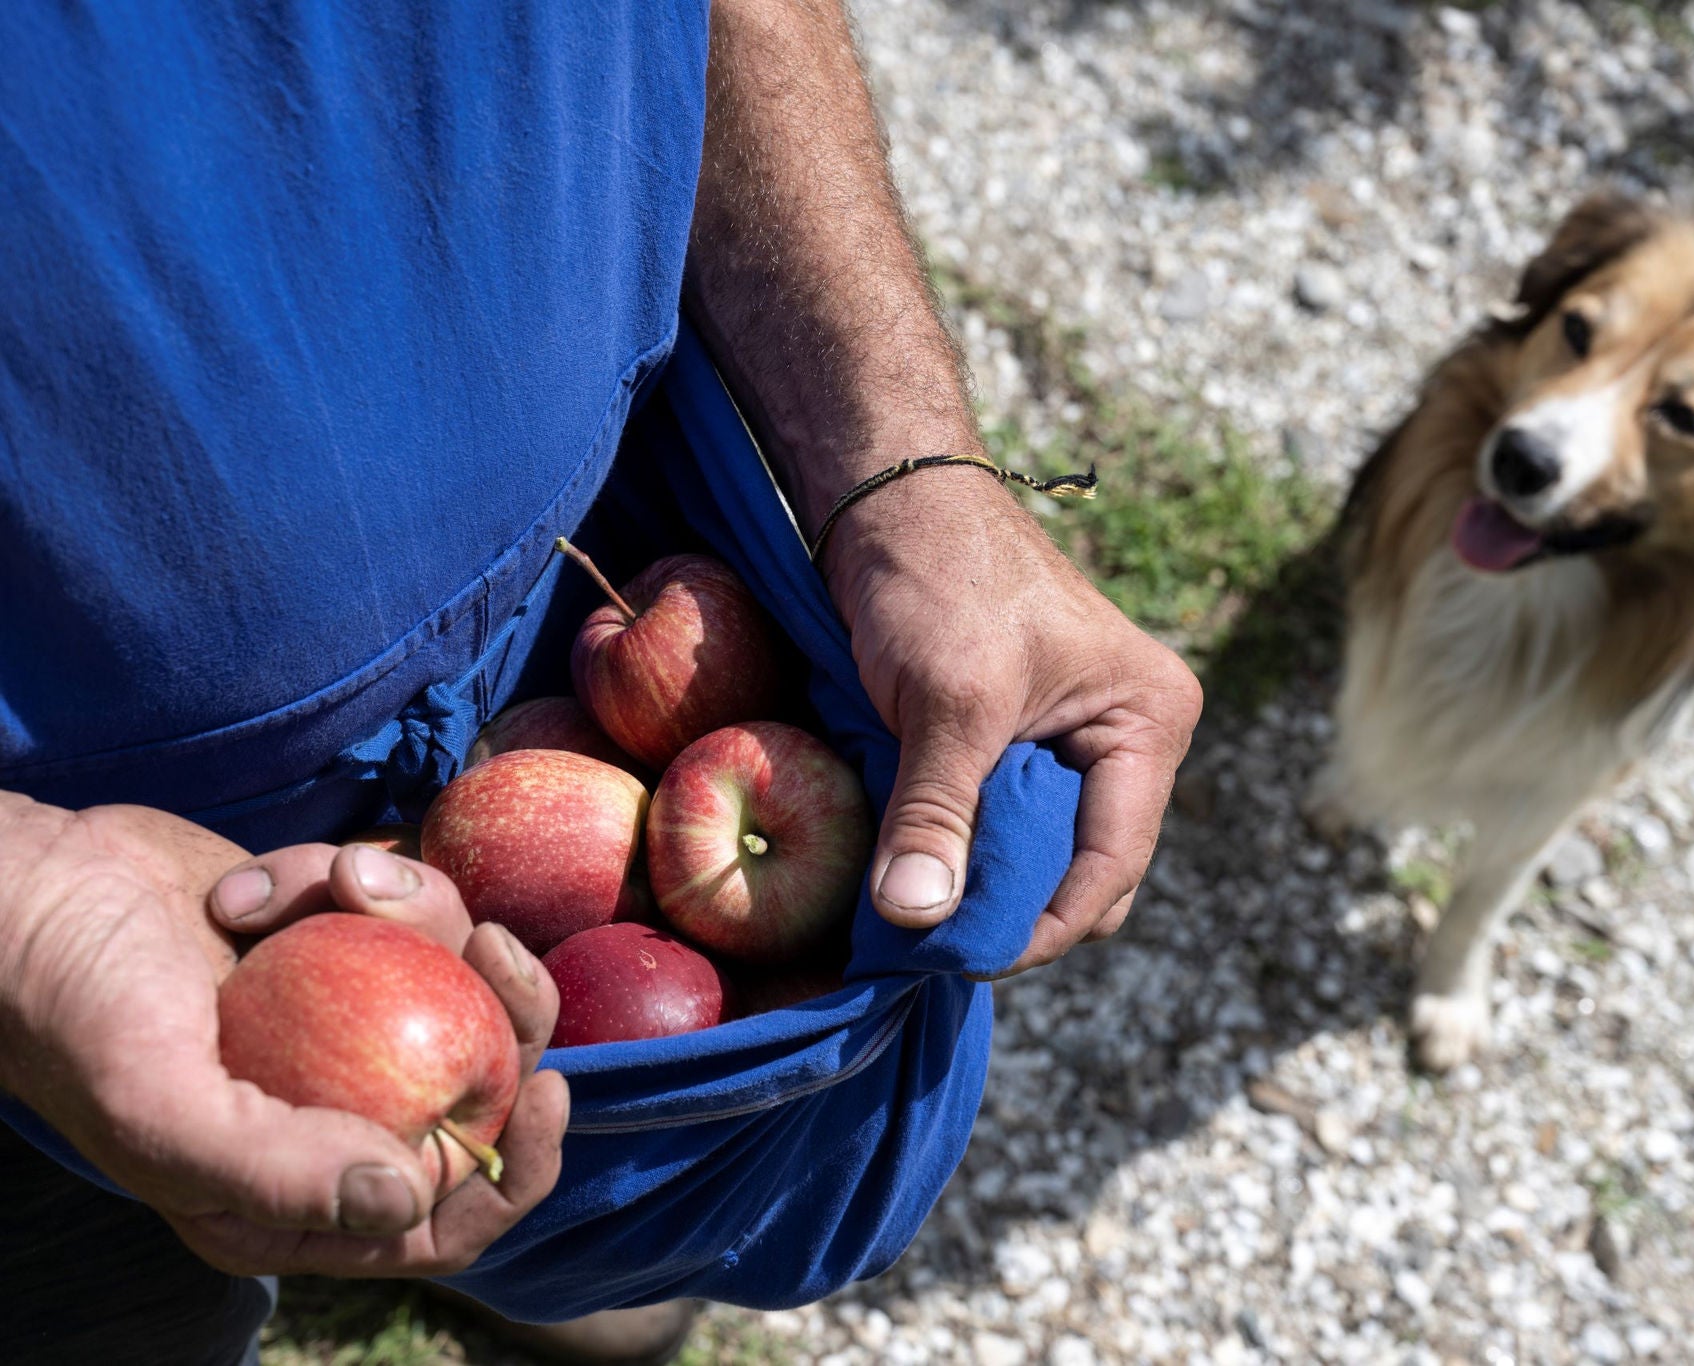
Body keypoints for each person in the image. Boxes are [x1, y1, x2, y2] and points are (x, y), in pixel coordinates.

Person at [0, 2, 1202, 1362]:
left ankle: (540, 1194)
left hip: (586, 584)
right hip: (96, 898)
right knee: (111, 1296)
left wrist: (904, 452)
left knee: (498, 1138)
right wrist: (20, 915)